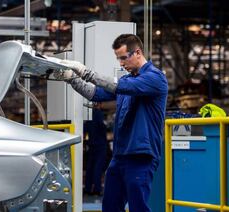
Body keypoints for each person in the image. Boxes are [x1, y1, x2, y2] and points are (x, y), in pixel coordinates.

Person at [54, 34, 168, 212]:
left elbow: (118, 87)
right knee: (110, 206)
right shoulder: (127, 80)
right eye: (118, 59)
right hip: (120, 155)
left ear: (137, 52)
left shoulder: (155, 78)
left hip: (141, 156)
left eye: (124, 58)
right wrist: (72, 79)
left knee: (139, 207)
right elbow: (96, 94)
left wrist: (86, 73)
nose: (121, 63)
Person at [83, 106, 110, 196]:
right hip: (100, 144)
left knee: (90, 167)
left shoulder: (88, 115)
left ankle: (87, 188)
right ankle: (97, 189)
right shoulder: (99, 114)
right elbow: (103, 127)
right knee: (98, 167)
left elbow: (85, 128)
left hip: (91, 144)